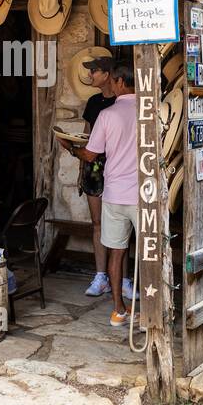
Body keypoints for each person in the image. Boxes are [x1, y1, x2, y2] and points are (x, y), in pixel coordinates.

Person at [63, 62, 139, 327]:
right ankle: (154, 308)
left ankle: (119, 309)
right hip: (144, 193)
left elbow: (90, 154)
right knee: (151, 252)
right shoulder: (151, 109)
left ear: (118, 81)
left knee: (116, 252)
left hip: (115, 192)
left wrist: (69, 148)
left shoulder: (108, 114)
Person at [77, 56, 116, 298]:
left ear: (108, 74)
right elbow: (86, 139)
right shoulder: (93, 102)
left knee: (121, 222)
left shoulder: (123, 101)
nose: (90, 75)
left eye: (94, 71)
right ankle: (101, 276)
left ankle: (120, 276)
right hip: (94, 169)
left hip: (119, 167)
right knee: (98, 223)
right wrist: (80, 170)